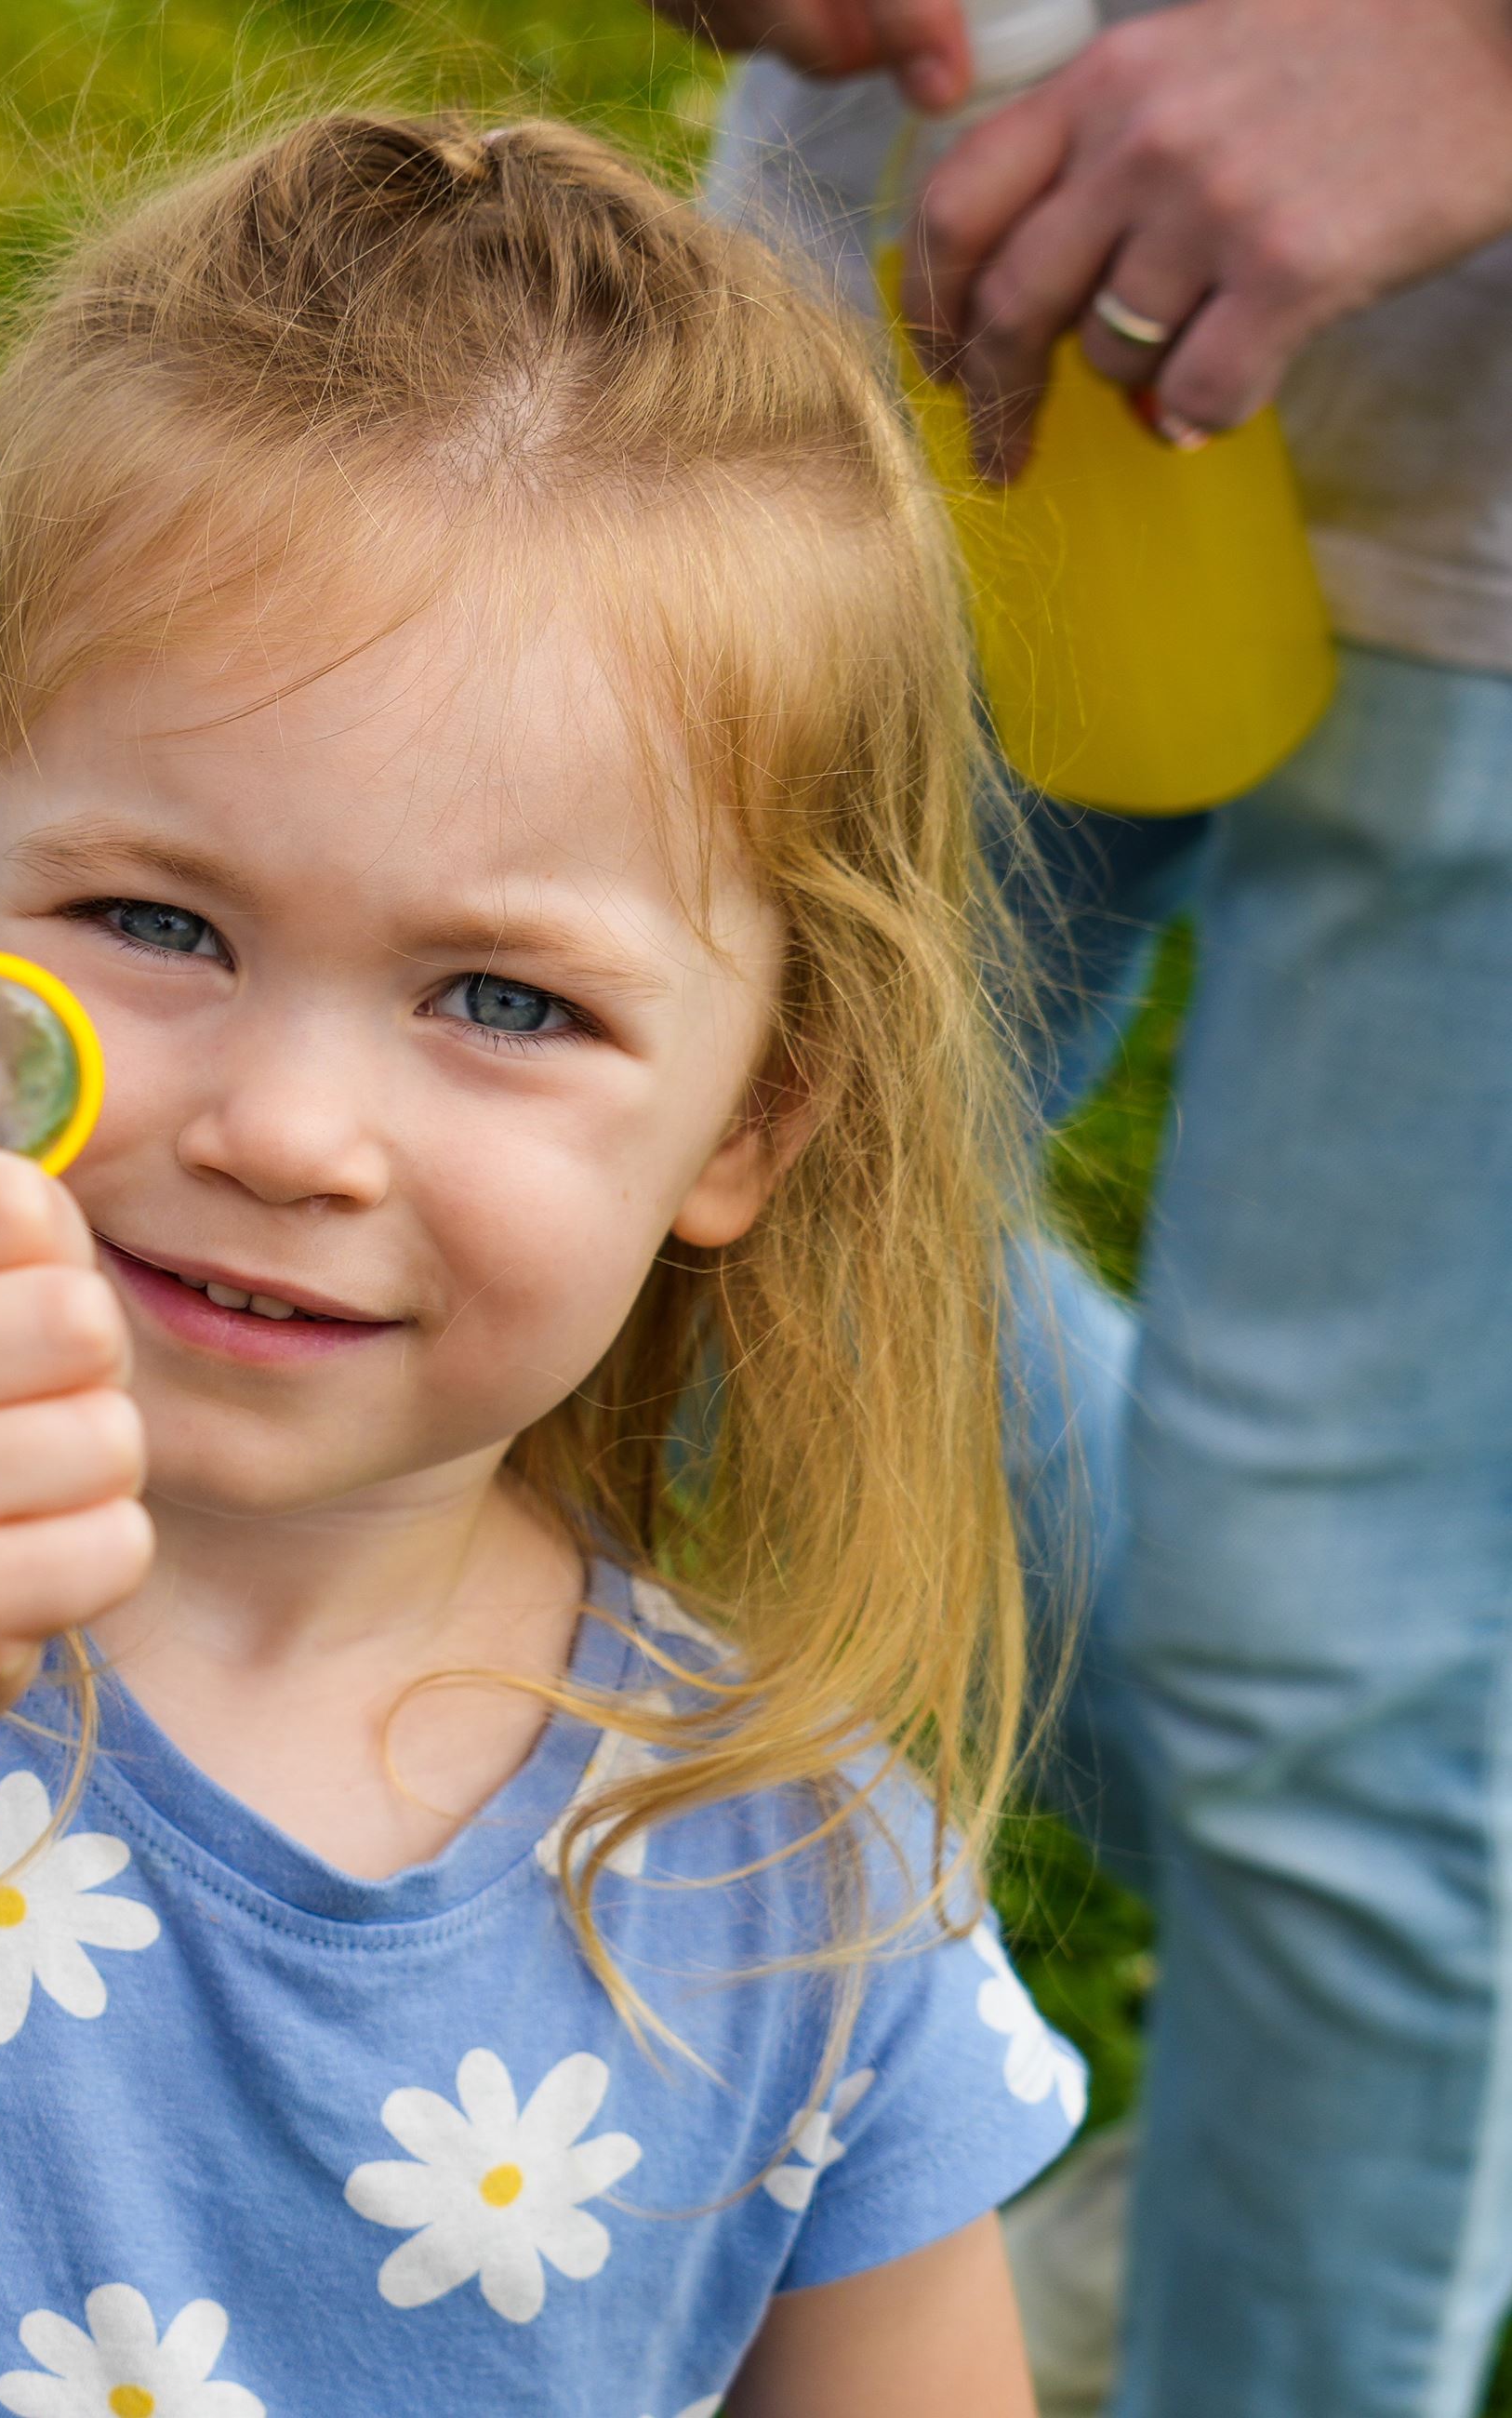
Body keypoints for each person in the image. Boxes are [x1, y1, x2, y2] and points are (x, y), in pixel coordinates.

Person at [0, 113, 1088, 2415]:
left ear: (748, 1116)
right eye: (159, 922)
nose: (282, 1130)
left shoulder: (794, 1880)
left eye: (505, 1001)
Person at [654, 4, 1512, 2413]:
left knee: (1330, 1679)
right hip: (933, 329)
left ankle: (1354, 2050)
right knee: (676, 1275)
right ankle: (1389, 1947)